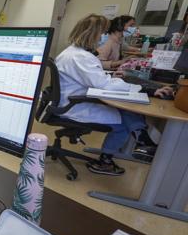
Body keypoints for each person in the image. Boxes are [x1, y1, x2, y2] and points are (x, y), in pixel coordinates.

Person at [55, 14, 173, 175]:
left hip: (73, 100)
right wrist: (145, 89)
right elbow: (103, 84)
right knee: (123, 121)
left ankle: (142, 140)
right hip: (75, 105)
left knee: (124, 108)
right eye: (104, 32)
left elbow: (94, 78)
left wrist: (113, 78)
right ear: (94, 34)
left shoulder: (73, 52)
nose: (106, 36)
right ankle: (107, 161)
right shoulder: (81, 57)